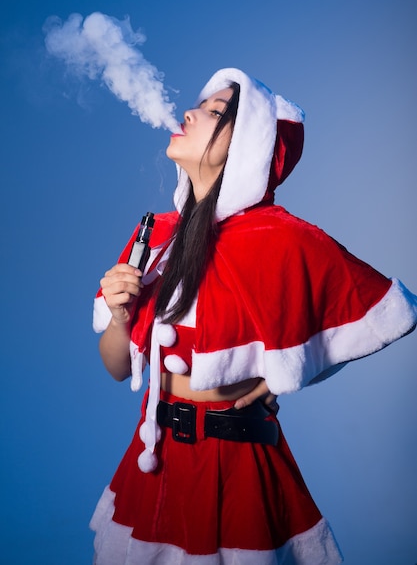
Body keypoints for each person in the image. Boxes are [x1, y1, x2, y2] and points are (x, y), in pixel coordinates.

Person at [90, 68, 417, 565]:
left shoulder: (282, 237)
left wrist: (288, 376)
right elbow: (116, 368)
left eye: (215, 112)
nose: (189, 113)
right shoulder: (154, 236)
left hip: (237, 470)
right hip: (154, 466)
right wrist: (119, 317)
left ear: (247, 145)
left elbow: (380, 315)